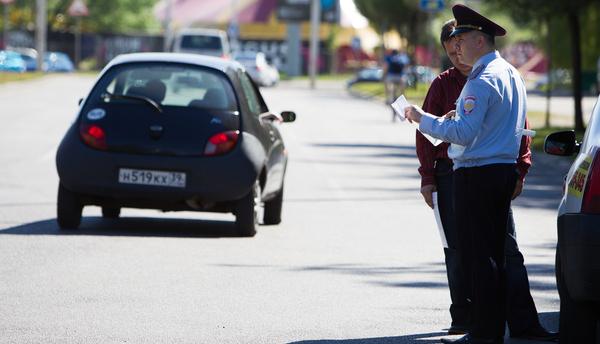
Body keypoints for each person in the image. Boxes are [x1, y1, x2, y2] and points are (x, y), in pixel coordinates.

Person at [415, 19, 557, 342]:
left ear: (479, 40)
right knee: (494, 255)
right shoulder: (509, 74)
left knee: (483, 257)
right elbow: (514, 126)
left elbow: (466, 132)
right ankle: (489, 326)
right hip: (495, 172)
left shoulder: (481, 79)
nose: (457, 49)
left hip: (477, 175)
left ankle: (487, 332)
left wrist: (421, 119)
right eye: (453, 46)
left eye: (461, 41)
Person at [384, 49, 409, 120]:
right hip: (400, 77)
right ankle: (403, 96)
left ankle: (388, 98)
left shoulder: (388, 58)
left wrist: (383, 76)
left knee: (389, 88)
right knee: (401, 91)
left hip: (391, 77)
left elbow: (386, 67)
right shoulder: (402, 57)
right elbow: (405, 67)